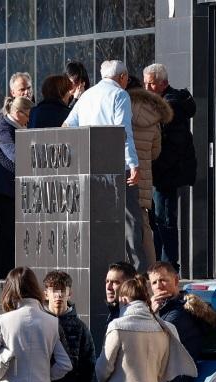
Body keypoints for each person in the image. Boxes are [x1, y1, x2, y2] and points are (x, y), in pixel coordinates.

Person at [64, 60, 145, 269]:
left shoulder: (87, 95)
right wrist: (133, 164)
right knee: (131, 220)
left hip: (90, 167)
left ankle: (104, 268)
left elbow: (67, 125)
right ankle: (137, 272)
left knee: (99, 223)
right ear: (123, 77)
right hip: (117, 166)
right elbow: (123, 132)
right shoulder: (120, 95)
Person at [145, 64, 196, 271]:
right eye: (145, 82)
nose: (147, 88)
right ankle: (163, 263)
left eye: (151, 83)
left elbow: (175, 143)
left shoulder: (170, 106)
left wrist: (157, 168)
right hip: (165, 172)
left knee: (164, 220)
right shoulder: (165, 103)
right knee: (161, 220)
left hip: (166, 173)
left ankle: (167, 266)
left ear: (163, 84)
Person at [126, 76, 173, 272]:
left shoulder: (123, 110)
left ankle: (130, 271)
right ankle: (153, 271)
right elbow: (155, 152)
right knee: (145, 228)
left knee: (127, 227)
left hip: (126, 175)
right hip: (144, 178)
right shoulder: (153, 115)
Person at [0, 96, 34, 280]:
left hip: (13, 188)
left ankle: (10, 271)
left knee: (12, 232)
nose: (29, 119)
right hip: (3, 188)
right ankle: (3, 272)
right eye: (27, 115)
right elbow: (13, 155)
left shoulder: (18, 128)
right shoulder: (4, 129)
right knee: (4, 232)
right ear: (17, 113)